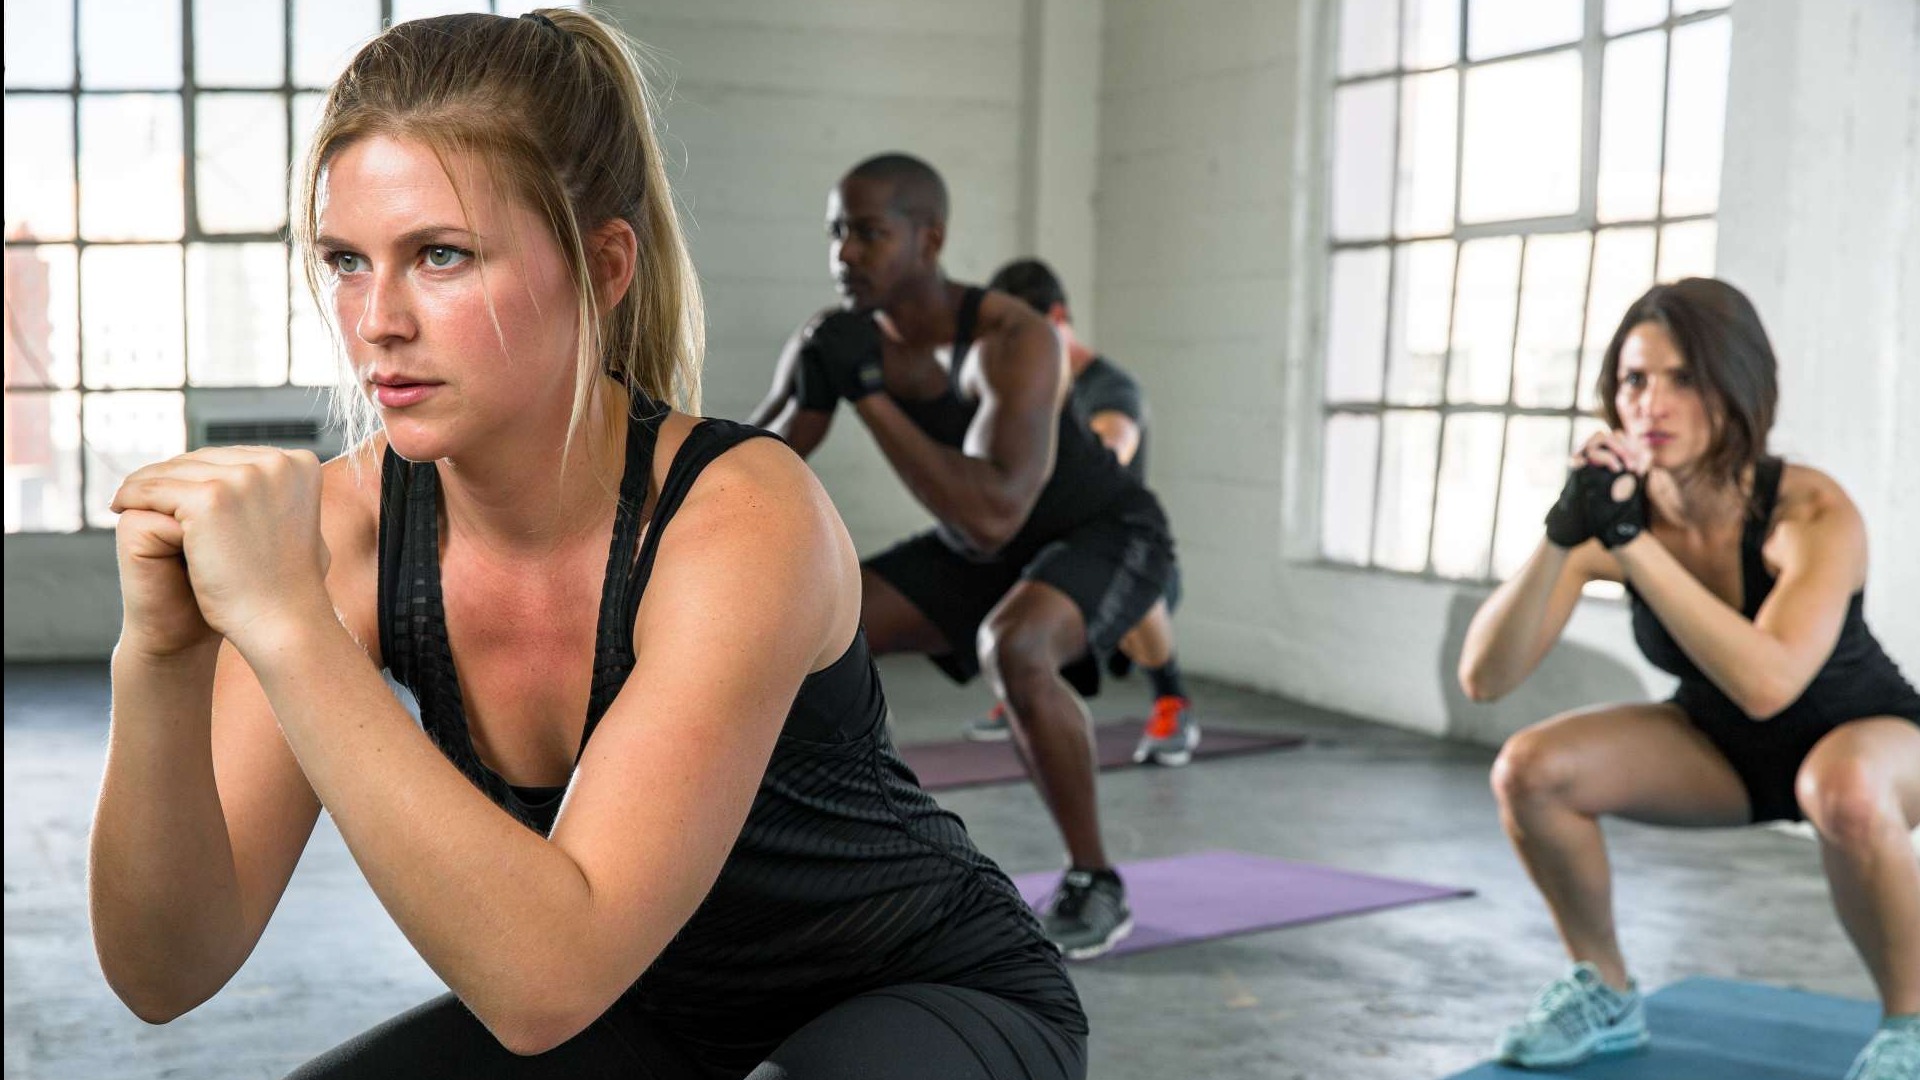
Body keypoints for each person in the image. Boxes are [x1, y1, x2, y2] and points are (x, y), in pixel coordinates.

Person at [88, 13, 1087, 1079]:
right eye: (344, 261)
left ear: (604, 265)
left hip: (922, 996)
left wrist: (289, 626)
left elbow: (540, 985)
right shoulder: (346, 529)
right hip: (647, 1011)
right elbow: (165, 973)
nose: (376, 319)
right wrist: (160, 661)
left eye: (440, 255)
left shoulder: (741, 515)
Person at [1457, 278, 1920, 1078]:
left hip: (1870, 742)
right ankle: (1604, 990)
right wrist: (1566, 531)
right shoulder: (1622, 514)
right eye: (1635, 380)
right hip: (1720, 751)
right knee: (1529, 770)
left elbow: (1770, 684)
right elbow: (1484, 678)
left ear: (1738, 388)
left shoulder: (1807, 511)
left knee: (1838, 788)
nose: (1652, 404)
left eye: (1684, 379)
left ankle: (1911, 1025)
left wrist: (1630, 541)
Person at [746, 154, 1177, 959]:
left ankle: (1095, 879)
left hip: (1100, 532)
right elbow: (747, 472)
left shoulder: (1011, 340)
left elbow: (991, 513)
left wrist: (869, 391)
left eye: (870, 233)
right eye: (837, 233)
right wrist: (816, 374)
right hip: (980, 544)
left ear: (929, 237)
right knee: (800, 632)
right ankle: (833, 858)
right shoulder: (844, 338)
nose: (846, 254)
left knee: (1014, 647)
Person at [965, 259, 1197, 768]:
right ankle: (1021, 687)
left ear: (1059, 317)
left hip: (1130, 560)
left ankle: (1173, 702)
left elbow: (1115, 443)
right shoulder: (1026, 387)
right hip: (1060, 554)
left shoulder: (1111, 388)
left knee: (1133, 575)